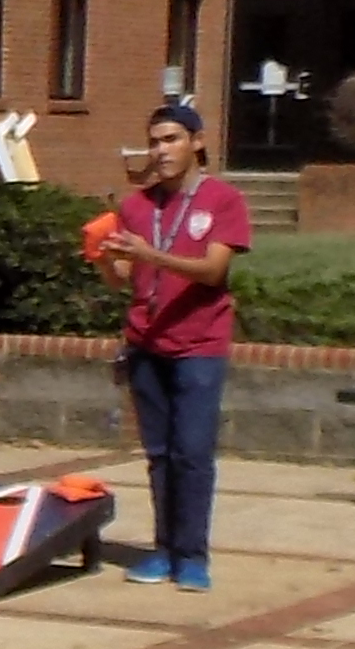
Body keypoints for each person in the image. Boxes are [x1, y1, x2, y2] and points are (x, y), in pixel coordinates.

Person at [95, 101, 246, 590]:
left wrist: (150, 254)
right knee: (159, 453)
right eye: (155, 141)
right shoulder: (137, 205)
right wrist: (102, 257)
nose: (160, 151)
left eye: (171, 140)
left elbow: (213, 271)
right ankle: (163, 549)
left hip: (200, 344)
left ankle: (192, 554)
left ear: (196, 143)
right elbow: (123, 278)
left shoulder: (222, 200)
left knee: (193, 453)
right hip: (147, 343)